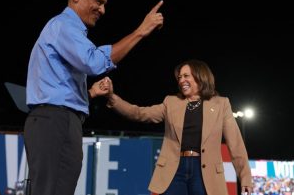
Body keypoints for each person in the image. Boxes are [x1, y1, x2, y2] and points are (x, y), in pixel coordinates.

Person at [23, 0, 164, 195]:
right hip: (53, 121)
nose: (103, 10)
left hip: (63, 120)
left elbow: (60, 86)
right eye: (99, 2)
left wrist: (89, 93)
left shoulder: (70, 32)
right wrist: (140, 32)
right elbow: (94, 62)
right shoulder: (62, 25)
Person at [100, 59, 253, 195]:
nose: (181, 80)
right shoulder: (171, 102)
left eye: (186, 76)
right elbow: (139, 113)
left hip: (205, 173)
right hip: (175, 170)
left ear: (200, 76)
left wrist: (245, 178)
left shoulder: (221, 104)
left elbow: (236, 144)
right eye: (179, 77)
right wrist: (112, 97)